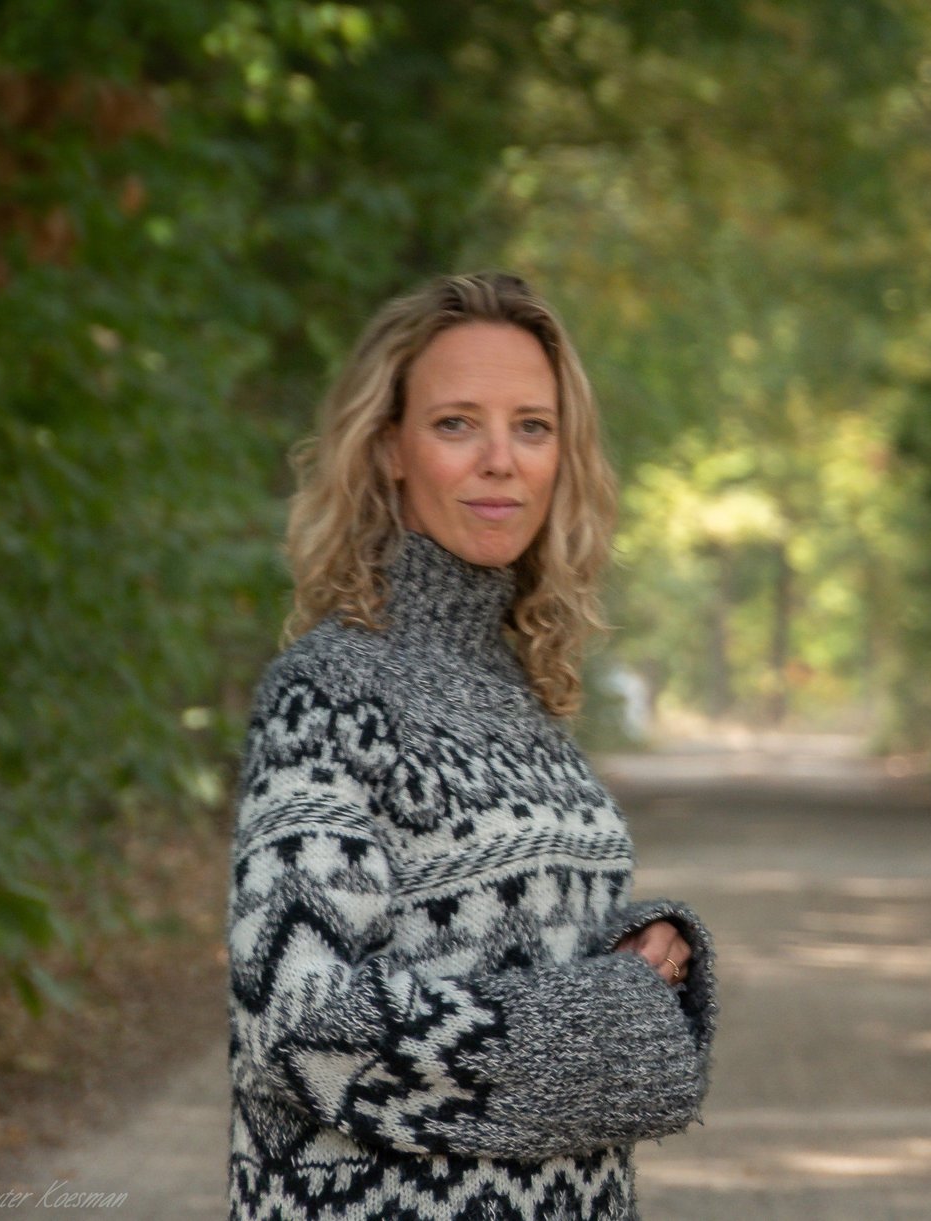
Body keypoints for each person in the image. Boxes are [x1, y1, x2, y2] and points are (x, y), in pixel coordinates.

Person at [224, 271, 717, 1221]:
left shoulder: (523, 685)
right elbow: (295, 1019)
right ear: (389, 450)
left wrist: (633, 951)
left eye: (532, 427)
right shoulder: (331, 692)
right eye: (457, 424)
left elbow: (486, 937)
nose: (502, 459)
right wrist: (608, 1020)